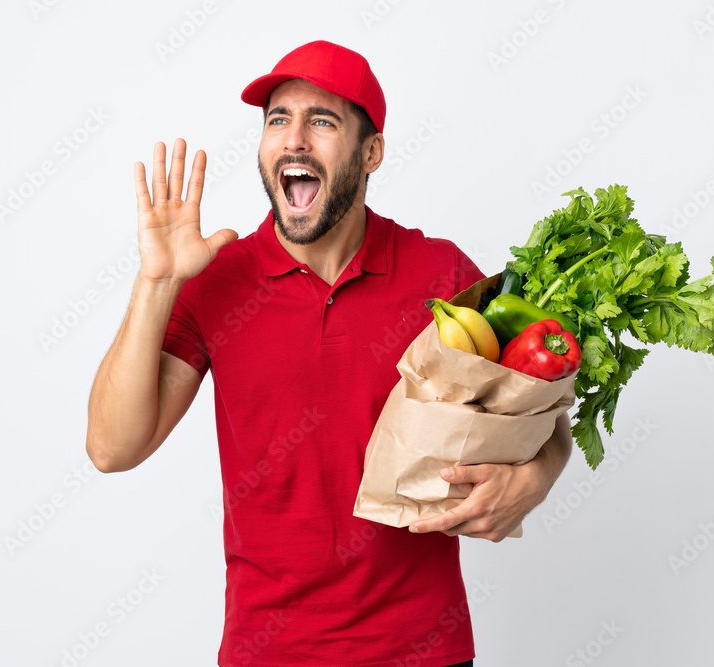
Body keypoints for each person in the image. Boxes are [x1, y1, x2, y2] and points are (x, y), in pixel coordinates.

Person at [86, 40, 573, 667]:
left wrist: (536, 476)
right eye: (277, 119)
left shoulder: (442, 275)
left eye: (321, 121)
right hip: (268, 651)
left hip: (424, 650)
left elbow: (542, 414)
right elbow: (111, 448)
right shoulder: (216, 281)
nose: (293, 139)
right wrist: (157, 281)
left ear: (370, 153)